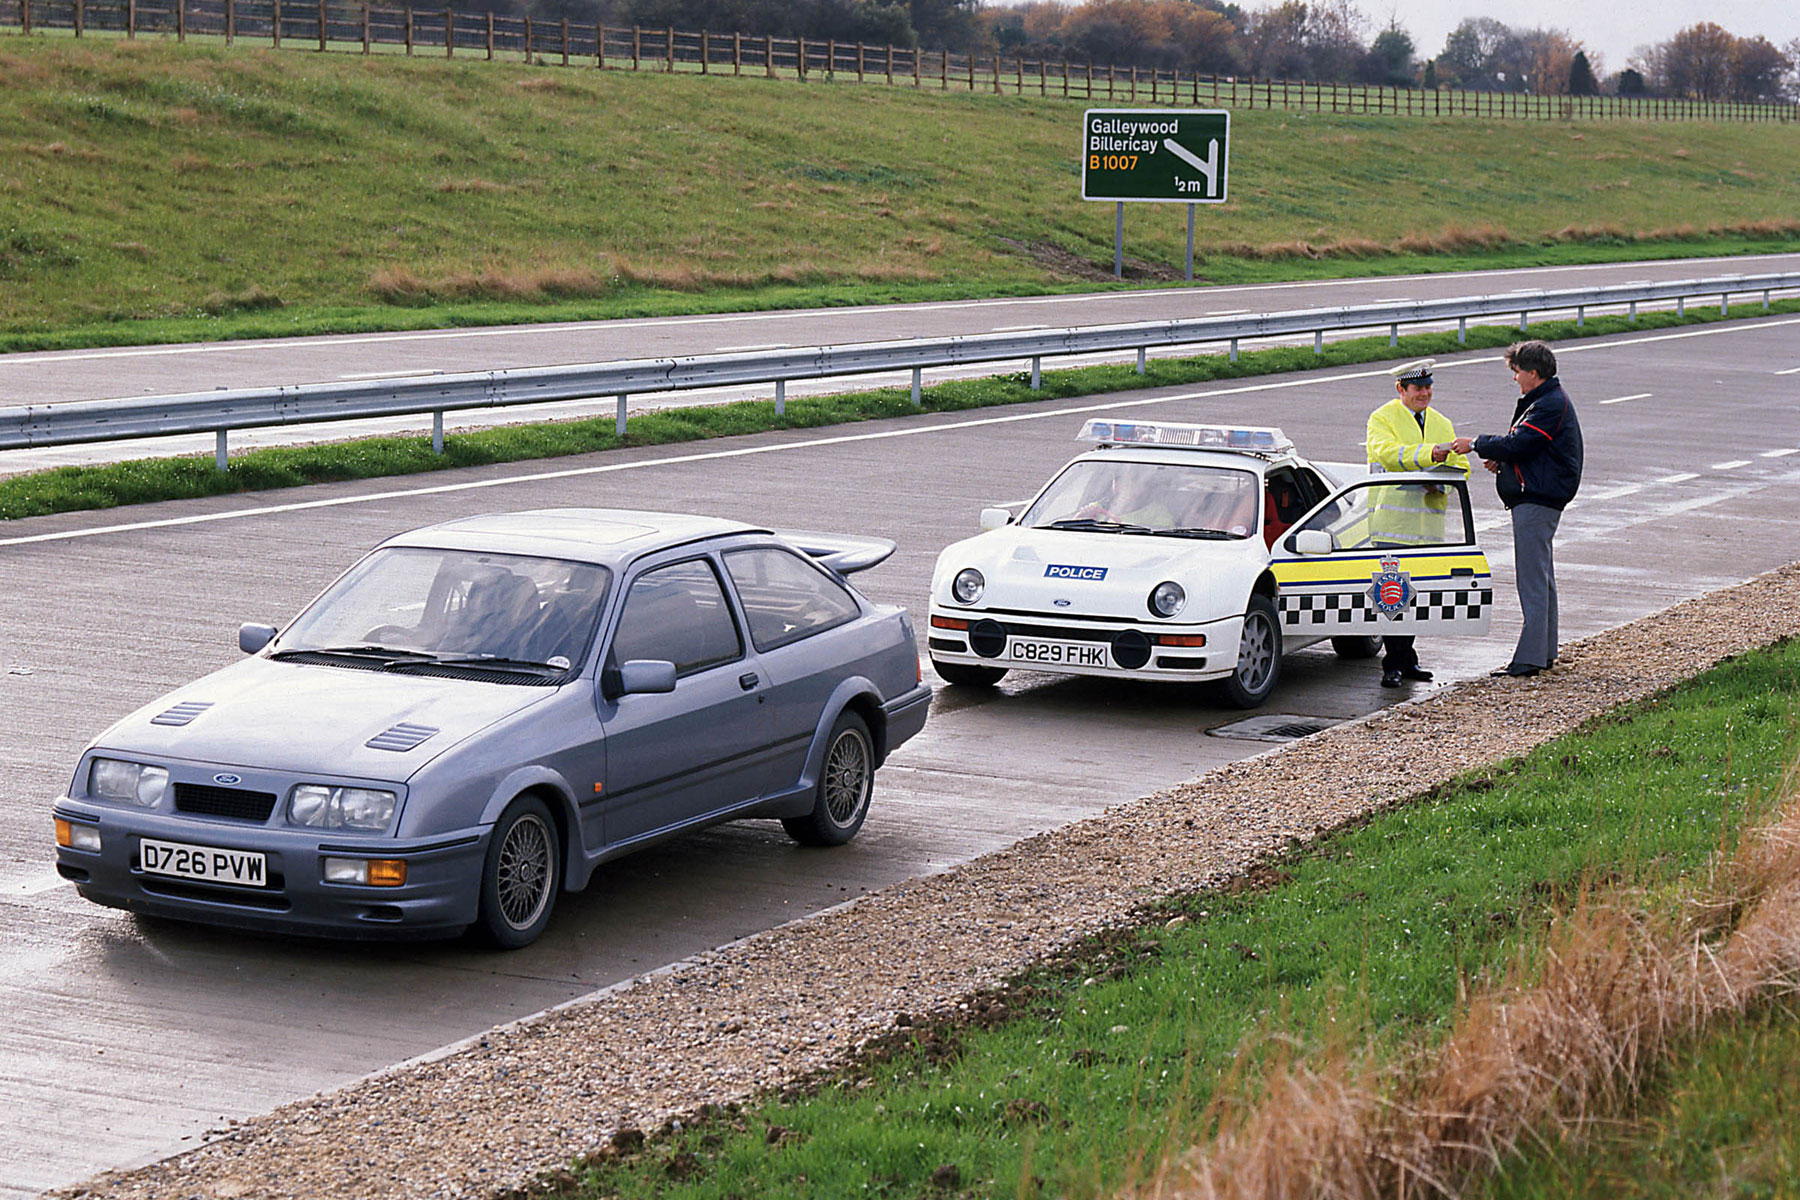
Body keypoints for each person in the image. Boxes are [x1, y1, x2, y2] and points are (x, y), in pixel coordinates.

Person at [1450, 340, 1583, 679]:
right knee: (1542, 577)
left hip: (1537, 499)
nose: (1515, 379)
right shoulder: (1545, 399)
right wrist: (1505, 461)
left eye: (1517, 371)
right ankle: (1545, 650)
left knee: (1532, 579)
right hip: (1539, 495)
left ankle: (1530, 659)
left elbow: (1521, 442)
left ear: (1533, 373)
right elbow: (1531, 448)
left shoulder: (1549, 403)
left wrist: (1476, 444)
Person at [1365, 359, 1468, 688]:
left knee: (1416, 599)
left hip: (1427, 531)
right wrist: (1430, 456)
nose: (1424, 393)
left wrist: (1440, 483)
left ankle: (1406, 660)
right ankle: (1393, 664)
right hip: (1391, 527)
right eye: (1417, 388)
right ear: (1401, 390)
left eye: (1428, 387)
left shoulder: (1442, 422)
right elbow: (1387, 453)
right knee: (1393, 600)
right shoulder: (1382, 417)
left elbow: (1461, 467)